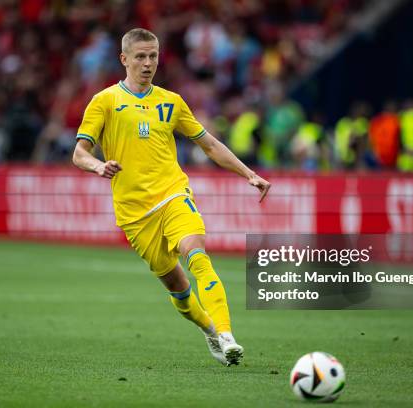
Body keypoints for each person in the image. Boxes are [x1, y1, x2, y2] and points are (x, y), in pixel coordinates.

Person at [72, 28, 271, 366]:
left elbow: (209, 144)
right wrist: (98, 166)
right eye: (140, 57)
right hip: (135, 214)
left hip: (173, 193)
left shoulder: (172, 102)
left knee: (197, 255)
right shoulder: (104, 101)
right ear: (124, 59)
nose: (148, 63)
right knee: (178, 288)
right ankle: (209, 330)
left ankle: (227, 335)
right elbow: (79, 153)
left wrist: (248, 173)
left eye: (153, 56)